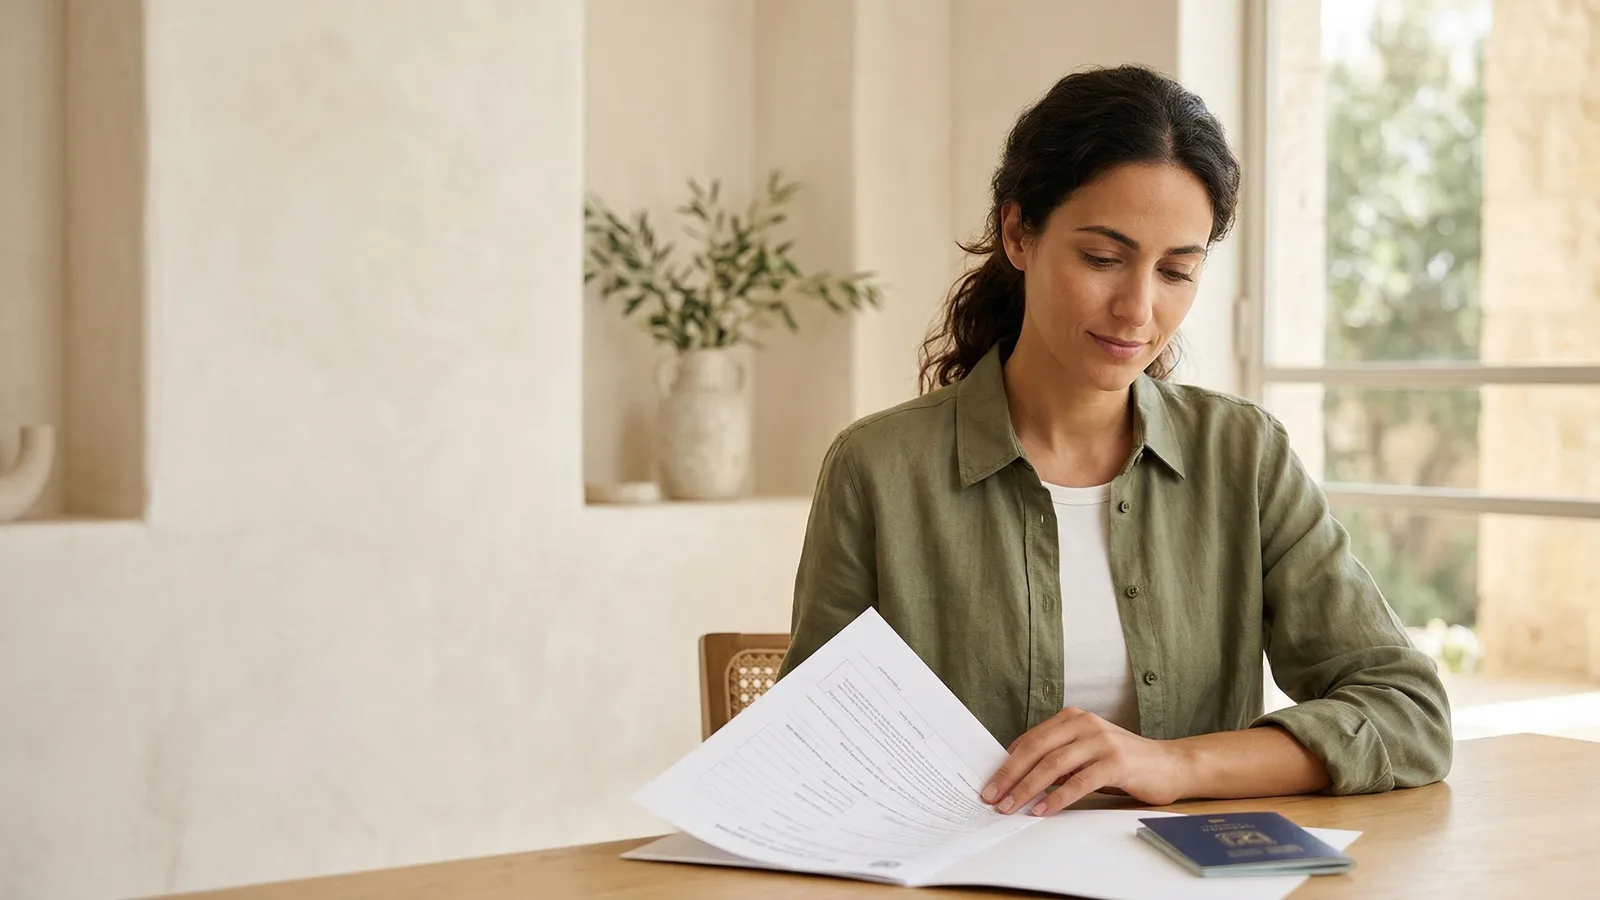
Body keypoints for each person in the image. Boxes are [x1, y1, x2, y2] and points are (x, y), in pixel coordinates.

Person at [775, 64, 1452, 818]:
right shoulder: (879, 470)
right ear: (1018, 234)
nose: (1137, 309)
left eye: (1176, 271)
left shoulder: (1243, 457)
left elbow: (1409, 714)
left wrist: (1174, 764)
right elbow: (811, 747)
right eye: (1102, 258)